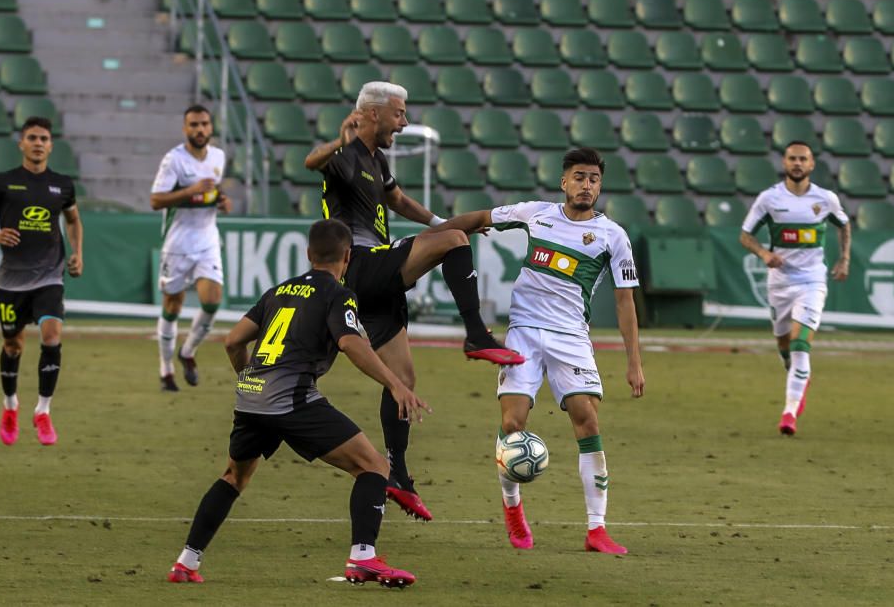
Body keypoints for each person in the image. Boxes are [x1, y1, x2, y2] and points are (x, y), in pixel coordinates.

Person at [304, 81, 523, 522]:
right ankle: (476, 334)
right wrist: (339, 141)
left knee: (402, 378)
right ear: (373, 113)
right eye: (399, 114)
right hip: (361, 263)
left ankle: (397, 474)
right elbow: (312, 162)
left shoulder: (376, 159)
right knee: (455, 242)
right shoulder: (345, 154)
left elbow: (397, 200)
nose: (403, 123)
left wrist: (439, 221)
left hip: (374, 286)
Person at [167, 218, 429, 588]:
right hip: (291, 399)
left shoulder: (277, 291)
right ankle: (363, 558)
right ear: (348, 257)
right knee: (374, 468)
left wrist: (247, 379)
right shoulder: (339, 294)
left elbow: (232, 341)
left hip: (251, 398)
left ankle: (185, 562)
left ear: (308, 254)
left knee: (234, 477)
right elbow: (352, 343)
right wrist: (396, 384)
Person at [429, 147, 645, 553]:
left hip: (571, 339)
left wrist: (634, 361)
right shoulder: (535, 214)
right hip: (524, 333)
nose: (586, 185)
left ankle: (596, 530)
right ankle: (513, 508)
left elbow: (624, 301)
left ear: (600, 186)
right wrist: (433, 232)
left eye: (594, 179)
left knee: (588, 423)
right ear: (564, 181)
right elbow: (479, 219)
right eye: (579, 177)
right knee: (513, 425)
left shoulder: (612, 236)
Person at [740, 141, 850, 436]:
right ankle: (799, 377)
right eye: (792, 158)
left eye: (803, 159)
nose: (798, 163)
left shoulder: (825, 199)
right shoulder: (769, 199)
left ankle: (789, 413)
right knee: (784, 345)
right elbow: (745, 235)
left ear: (812, 164)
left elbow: (844, 224)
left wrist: (844, 258)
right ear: (784, 163)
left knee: (801, 344)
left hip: (813, 280)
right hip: (780, 282)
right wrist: (764, 254)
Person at [0, 117, 83, 446]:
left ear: (50, 145)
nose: (38, 143)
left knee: (52, 335)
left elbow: (73, 219)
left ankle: (43, 411)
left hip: (49, 276)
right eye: (32, 137)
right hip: (11, 281)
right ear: (21, 143)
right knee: (13, 346)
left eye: (44, 138)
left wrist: (77, 252)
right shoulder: (2, 182)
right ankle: (10, 405)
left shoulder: (62, 184)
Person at [150, 104, 230, 392]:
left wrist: (222, 200)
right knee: (173, 306)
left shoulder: (219, 156)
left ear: (211, 127)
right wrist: (189, 191)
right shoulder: (174, 160)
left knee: (212, 301)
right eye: (194, 125)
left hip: (207, 240)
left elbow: (213, 191)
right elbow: (156, 200)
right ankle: (166, 368)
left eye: (204, 124)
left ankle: (188, 352)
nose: (200, 130)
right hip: (178, 243)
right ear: (185, 129)